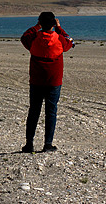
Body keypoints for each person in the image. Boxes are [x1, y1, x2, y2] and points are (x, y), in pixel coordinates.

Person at [20, 11, 74, 153]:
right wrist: (59, 28)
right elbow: (70, 41)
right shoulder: (60, 40)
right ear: (53, 24)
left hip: (36, 81)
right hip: (54, 82)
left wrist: (37, 26)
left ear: (40, 23)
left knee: (34, 112)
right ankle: (47, 144)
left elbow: (24, 37)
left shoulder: (33, 39)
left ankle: (29, 144)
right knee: (51, 112)